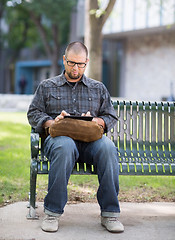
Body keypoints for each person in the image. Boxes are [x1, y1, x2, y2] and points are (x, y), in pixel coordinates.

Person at [27, 41, 124, 233]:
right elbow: (33, 113)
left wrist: (96, 120)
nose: (76, 68)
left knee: (108, 148)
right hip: (58, 141)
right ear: (64, 60)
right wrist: (52, 123)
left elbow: (110, 116)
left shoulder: (98, 88)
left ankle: (110, 213)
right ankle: (52, 213)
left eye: (81, 64)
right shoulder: (47, 86)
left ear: (87, 62)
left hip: (90, 142)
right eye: (72, 63)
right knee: (65, 146)